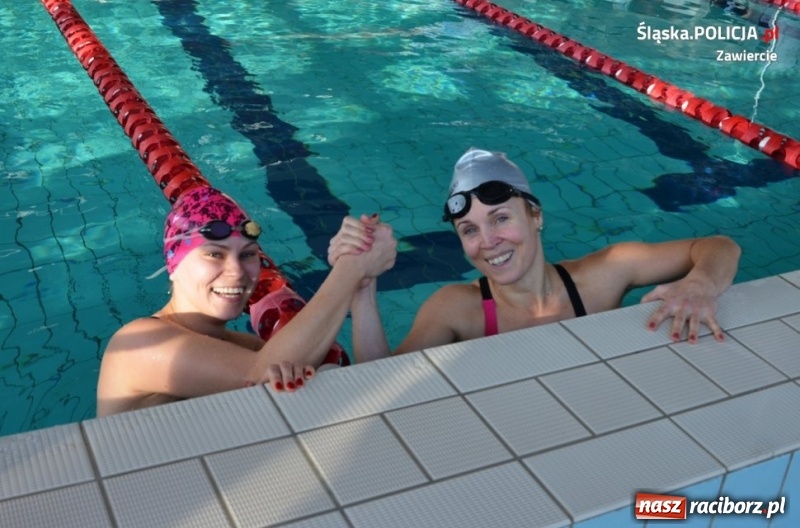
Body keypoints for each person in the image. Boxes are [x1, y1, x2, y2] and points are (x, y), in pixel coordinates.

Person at [329, 147, 741, 362]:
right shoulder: (456, 309)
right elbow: (379, 377)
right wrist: (360, 287)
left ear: (536, 216)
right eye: (469, 229)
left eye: (500, 218)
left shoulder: (604, 274)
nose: (488, 241)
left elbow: (719, 246)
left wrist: (700, 284)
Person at [97, 186, 396, 416]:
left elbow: (378, 392)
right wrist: (352, 268)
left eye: (248, 254)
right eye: (214, 253)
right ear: (174, 265)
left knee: (327, 377)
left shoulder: (247, 347)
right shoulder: (135, 342)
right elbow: (255, 373)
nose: (237, 271)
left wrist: (361, 288)